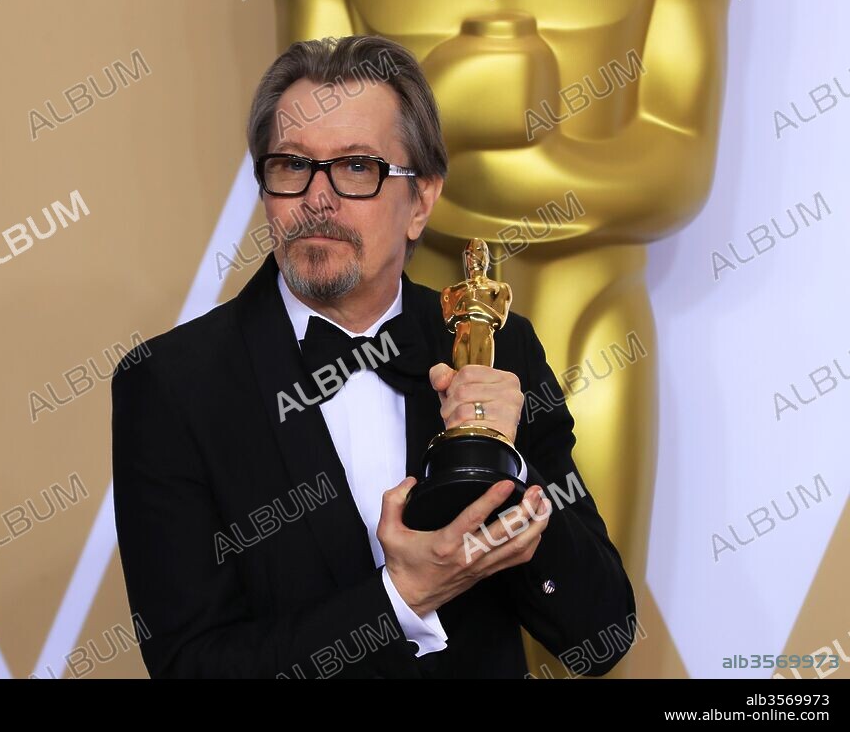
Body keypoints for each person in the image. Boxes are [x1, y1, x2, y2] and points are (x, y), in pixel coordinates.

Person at [111, 35, 636, 679]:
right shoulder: (170, 385)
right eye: (291, 165)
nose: (318, 198)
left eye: (358, 167)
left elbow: (603, 634)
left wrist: (512, 476)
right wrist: (402, 600)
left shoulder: (497, 347)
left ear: (421, 201)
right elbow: (191, 666)